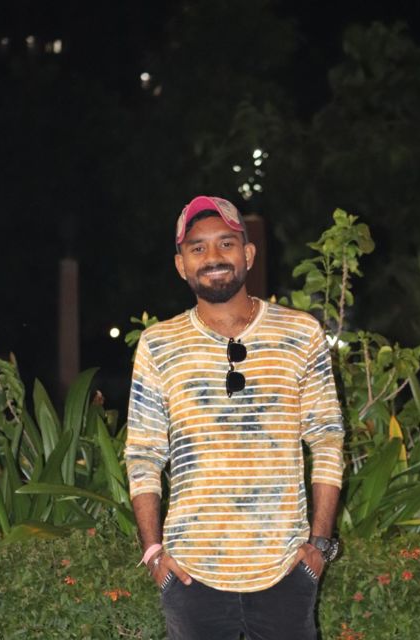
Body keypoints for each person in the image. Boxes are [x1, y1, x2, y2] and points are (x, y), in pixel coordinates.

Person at [125, 195, 344, 640]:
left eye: (225, 244)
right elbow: (144, 454)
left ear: (247, 254)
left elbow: (326, 438)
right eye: (198, 248)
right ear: (181, 265)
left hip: (286, 570)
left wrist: (319, 546)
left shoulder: (300, 333)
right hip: (190, 574)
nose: (213, 257)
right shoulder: (158, 344)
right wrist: (153, 553)